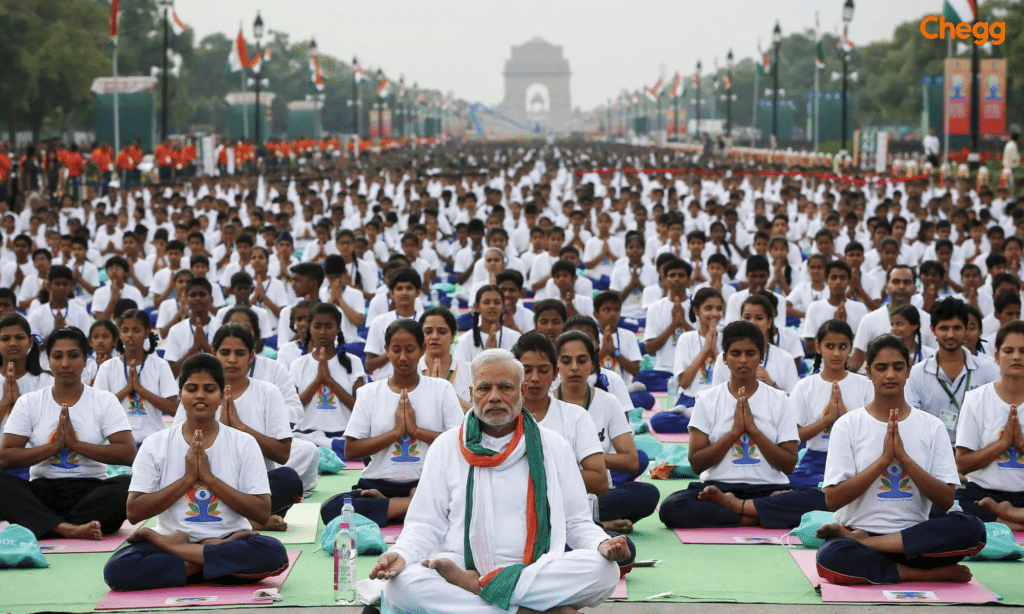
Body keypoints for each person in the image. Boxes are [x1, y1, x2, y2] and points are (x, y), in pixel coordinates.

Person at [372, 349, 630, 614]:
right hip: (462, 564)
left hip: (534, 568)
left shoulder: (553, 445)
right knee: (401, 585)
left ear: (522, 390)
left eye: (505, 387)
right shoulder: (447, 446)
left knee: (605, 570)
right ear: (472, 392)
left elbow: (576, 521)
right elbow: (425, 524)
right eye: (485, 388)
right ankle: (528, 610)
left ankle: (483, 590)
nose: (494, 397)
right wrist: (400, 554)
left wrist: (602, 544)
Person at [102, 354, 290, 591]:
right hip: (184, 536)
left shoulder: (244, 443)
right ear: (180, 395)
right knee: (118, 569)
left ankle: (183, 558)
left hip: (227, 538)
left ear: (222, 396)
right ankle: (215, 565)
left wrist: (209, 479)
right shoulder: (155, 443)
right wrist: (188, 479)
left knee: (274, 554)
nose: (200, 395)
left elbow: (262, 513)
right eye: (191, 388)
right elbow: (134, 511)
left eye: (209, 389)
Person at [814, 334, 986, 586]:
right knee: (830, 556)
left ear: (908, 371)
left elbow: (946, 499)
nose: (890, 375)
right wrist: (883, 461)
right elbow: (832, 500)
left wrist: (904, 459)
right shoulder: (848, 425)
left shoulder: (931, 426)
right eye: (881, 368)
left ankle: (869, 547)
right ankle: (924, 575)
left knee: (973, 529)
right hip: (860, 536)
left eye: (898, 367)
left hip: (915, 540)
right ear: (868, 372)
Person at [660, 321, 826, 529]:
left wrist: (754, 430)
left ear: (761, 357)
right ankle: (755, 515)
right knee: (671, 507)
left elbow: (788, 464)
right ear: (725, 358)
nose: (743, 360)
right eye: (736, 353)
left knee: (821, 499)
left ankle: (736, 507)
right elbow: (697, 463)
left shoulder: (779, 399)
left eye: (750, 353)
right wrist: (734, 432)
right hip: (719, 487)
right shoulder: (707, 399)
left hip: (769, 487)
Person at [321, 319, 463, 528]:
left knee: (466, 501)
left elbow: (460, 443)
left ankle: (391, 509)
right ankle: (410, 506)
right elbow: (351, 450)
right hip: (378, 486)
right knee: (331, 510)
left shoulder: (441, 389)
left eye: (410, 350)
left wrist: (416, 430)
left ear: (423, 349)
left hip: (428, 484)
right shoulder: (369, 392)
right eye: (396, 350)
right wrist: (396, 433)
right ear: (386, 350)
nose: (403, 357)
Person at [0, 327, 136, 538]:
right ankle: (68, 528)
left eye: (73, 356)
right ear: (48, 360)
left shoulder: (104, 400)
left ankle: (45, 525)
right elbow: (5, 457)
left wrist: (76, 445)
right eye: (57, 356)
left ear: (85, 360)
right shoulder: (30, 402)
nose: (65, 364)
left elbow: (128, 454)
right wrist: (53, 447)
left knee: (128, 485)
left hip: (91, 492)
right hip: (42, 490)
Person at [172, 323, 301, 531]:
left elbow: (283, 454)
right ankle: (250, 522)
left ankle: (239, 521)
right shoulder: (200, 392)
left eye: (239, 353)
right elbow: (177, 446)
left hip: (252, 488)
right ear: (214, 354)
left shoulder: (268, 393)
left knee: (287, 479)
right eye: (225, 352)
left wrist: (240, 427)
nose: (232, 359)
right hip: (205, 482)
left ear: (251, 356)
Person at [554, 331, 659, 527]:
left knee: (648, 494)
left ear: (593, 364)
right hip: (556, 493)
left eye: (582, 360)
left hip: (598, 493)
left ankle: (584, 523)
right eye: (566, 361)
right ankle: (599, 525)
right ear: (556, 365)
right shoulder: (546, 403)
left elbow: (631, 461)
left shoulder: (608, 402)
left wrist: (585, 457)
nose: (574, 367)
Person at [953, 320, 1024, 525]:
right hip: (984, 495)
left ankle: (1007, 518)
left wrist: (1020, 443)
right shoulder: (976, 399)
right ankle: (1012, 520)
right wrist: (1002, 444)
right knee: (954, 505)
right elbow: (963, 465)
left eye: (1023, 351)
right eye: (1008, 350)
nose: (1016, 356)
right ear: (996, 357)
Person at [789, 320, 874, 489]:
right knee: (785, 481)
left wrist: (844, 420)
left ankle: (825, 489)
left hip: (855, 460)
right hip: (815, 462)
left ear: (851, 348)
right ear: (818, 347)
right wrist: (828, 420)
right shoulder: (804, 386)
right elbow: (793, 438)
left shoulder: (865, 385)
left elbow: (873, 434)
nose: (836, 353)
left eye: (843, 347)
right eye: (830, 346)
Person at [906, 297, 1000, 446]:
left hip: (977, 454)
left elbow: (998, 417)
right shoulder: (917, 374)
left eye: (957, 328)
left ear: (966, 328)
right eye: (944, 328)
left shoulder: (989, 370)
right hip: (932, 453)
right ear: (932, 329)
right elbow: (911, 423)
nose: (950, 335)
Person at [290, 303, 366, 459]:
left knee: (357, 449)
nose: (322, 332)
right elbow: (294, 409)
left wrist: (330, 382)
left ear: (338, 328)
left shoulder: (353, 362)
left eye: (328, 326)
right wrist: (318, 381)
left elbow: (360, 408)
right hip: (307, 437)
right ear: (310, 328)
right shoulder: (298, 364)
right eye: (317, 326)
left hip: (341, 438)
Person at [94, 309, 179, 444]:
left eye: (136, 330)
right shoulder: (107, 367)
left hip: (153, 441)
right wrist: (127, 389)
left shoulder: (160, 365)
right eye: (125, 330)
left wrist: (140, 389)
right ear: (119, 333)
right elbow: (98, 410)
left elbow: (174, 409)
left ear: (146, 333)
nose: (130, 335)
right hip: (117, 443)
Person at [655, 287, 724, 433]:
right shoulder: (686, 339)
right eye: (708, 308)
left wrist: (716, 351)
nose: (714, 313)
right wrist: (705, 350)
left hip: (718, 400)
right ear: (696, 310)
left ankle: (698, 420)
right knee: (657, 421)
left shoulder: (728, 338)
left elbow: (730, 378)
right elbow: (684, 382)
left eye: (718, 308)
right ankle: (699, 419)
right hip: (690, 400)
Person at [711, 294, 798, 393]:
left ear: (769, 322)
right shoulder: (724, 358)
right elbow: (715, 397)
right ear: (741, 319)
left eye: (759, 318)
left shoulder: (786, 359)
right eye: (747, 317)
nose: (752, 322)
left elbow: (792, 403)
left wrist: (771, 384)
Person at [365, 267, 424, 380]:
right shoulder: (379, 322)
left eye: (409, 288)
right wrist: (395, 350)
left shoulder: (426, 321)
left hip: (420, 380)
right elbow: (369, 366)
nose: (404, 292)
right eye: (399, 288)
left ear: (417, 292)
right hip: (386, 381)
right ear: (392, 293)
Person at [419, 307, 472, 410]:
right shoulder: (410, 372)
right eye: (428, 332)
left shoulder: (470, 370)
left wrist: (446, 393)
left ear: (453, 336)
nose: (434, 336)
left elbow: (478, 414)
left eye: (442, 332)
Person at [163, 277, 216, 377]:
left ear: (211, 299)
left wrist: (206, 347)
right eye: (193, 295)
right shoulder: (175, 330)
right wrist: (194, 348)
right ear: (186, 300)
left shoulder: (221, 327)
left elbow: (227, 367)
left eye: (202, 294)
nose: (197, 298)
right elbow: (172, 374)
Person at [453, 285, 522, 362]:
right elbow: (461, 371)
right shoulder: (465, 340)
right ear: (476, 307)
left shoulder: (515, 338)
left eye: (497, 302)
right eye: (486, 302)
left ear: (503, 307)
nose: (492, 306)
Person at [26, 265, 91, 343]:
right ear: (49, 286)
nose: (61, 288)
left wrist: (64, 333)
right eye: (57, 284)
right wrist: (56, 333)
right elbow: (33, 346)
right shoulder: (37, 314)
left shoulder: (80, 313)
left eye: (65, 284)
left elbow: (86, 342)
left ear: (71, 286)